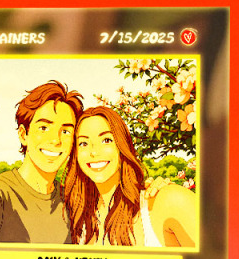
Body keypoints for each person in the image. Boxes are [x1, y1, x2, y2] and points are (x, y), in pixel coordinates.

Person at [0, 81, 83, 243]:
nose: (56, 140)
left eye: (66, 131)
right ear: (23, 134)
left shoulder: (72, 204)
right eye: (44, 128)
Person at [64, 105, 197, 247]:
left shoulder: (169, 200)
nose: (94, 152)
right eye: (83, 143)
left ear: (122, 145)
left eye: (106, 140)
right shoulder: (78, 219)